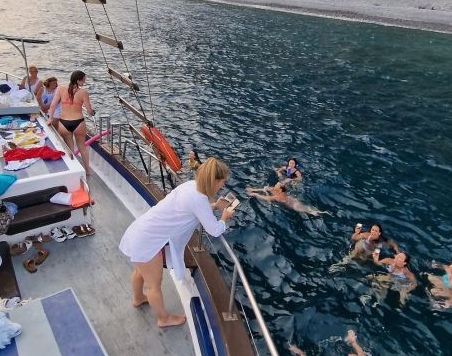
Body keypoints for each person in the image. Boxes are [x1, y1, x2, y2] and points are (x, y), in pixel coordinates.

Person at [119, 157, 236, 328]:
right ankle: (163, 319)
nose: (222, 186)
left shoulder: (189, 186)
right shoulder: (199, 200)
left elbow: (191, 209)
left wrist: (214, 206)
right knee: (153, 285)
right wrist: (224, 218)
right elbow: (215, 230)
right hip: (148, 241)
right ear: (215, 181)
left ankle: (137, 299)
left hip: (143, 232)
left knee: (139, 271)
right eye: (222, 182)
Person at [48, 70, 94, 176]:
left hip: (64, 122)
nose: (84, 82)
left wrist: (50, 118)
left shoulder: (60, 89)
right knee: (82, 147)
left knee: (70, 150)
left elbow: (53, 105)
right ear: (78, 80)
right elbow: (89, 111)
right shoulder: (83, 93)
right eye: (83, 80)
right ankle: (87, 171)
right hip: (79, 123)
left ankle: (74, 172)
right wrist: (92, 112)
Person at [246, 183, 330, 216]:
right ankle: (322, 212)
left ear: (280, 190)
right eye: (276, 185)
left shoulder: (277, 196)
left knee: (310, 211)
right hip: (293, 199)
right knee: (308, 208)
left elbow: (265, 198)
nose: (274, 186)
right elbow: (266, 189)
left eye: (276, 186)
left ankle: (323, 213)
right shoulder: (275, 190)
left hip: (293, 205)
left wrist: (255, 194)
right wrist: (253, 189)